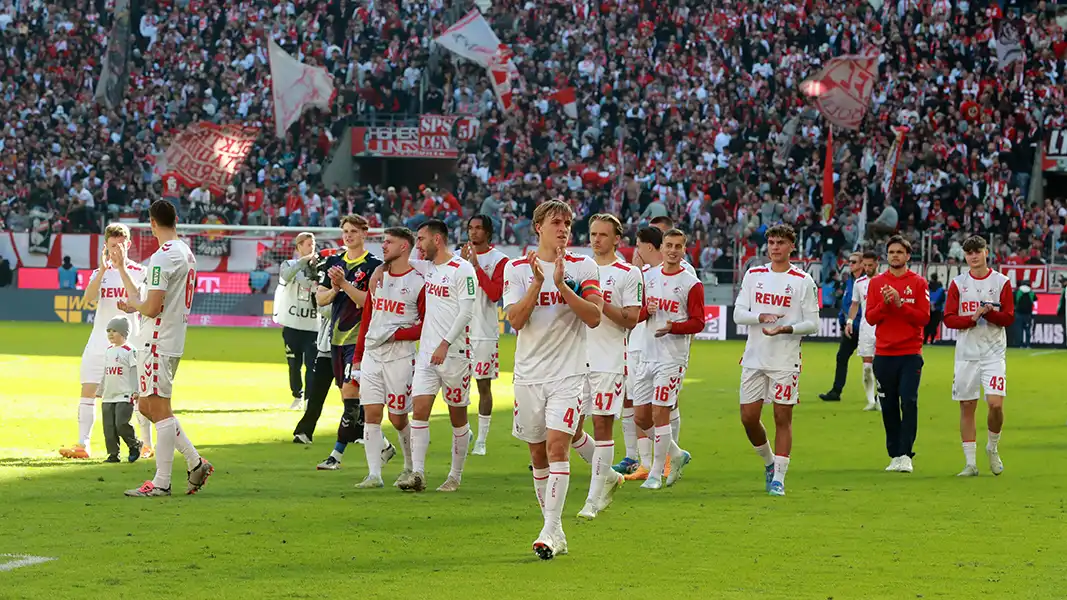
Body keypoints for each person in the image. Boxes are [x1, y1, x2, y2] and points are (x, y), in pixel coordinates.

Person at [502, 199, 603, 560]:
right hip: (529, 374)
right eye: (555, 222)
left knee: (557, 446)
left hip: (569, 374)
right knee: (537, 452)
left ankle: (547, 529)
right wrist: (538, 284)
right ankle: (555, 529)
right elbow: (514, 320)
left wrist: (562, 286)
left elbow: (594, 316)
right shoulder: (515, 269)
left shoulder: (583, 266)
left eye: (567, 222)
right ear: (538, 227)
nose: (563, 228)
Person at [114, 200, 213, 497]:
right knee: (146, 406)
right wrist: (121, 269)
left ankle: (161, 482)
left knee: (159, 409)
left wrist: (135, 305)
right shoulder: (184, 252)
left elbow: (152, 306)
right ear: (176, 220)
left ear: (152, 223)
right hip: (170, 339)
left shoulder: (162, 257)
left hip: (156, 340)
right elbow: (148, 298)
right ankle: (195, 462)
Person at [733, 224, 819, 497]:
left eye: (781, 242)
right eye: (771, 242)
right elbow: (738, 314)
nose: (775, 247)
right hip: (754, 357)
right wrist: (760, 317)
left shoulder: (802, 280)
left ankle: (779, 478)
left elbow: (813, 324)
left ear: (792, 246)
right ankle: (770, 462)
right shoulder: (754, 274)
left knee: (782, 416)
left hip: (785, 358)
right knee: (748, 418)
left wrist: (786, 329)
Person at [59, 223, 151, 461]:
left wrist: (121, 269)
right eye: (112, 246)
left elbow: (139, 298)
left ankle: (146, 444)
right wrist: (101, 271)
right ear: (105, 246)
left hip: (130, 343)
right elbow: (88, 299)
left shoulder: (139, 270)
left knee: (136, 394)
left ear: (128, 244)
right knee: (88, 389)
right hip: (99, 339)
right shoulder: (100, 272)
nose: (116, 250)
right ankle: (83, 445)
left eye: (120, 245)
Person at [397, 219, 477, 492]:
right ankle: (417, 474)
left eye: (421, 239)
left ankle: (455, 476)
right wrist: (379, 269)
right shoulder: (427, 267)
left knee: (458, 417)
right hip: (427, 355)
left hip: (455, 354)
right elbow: (397, 260)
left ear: (437, 240)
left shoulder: (462, 270)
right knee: (419, 411)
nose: (418, 245)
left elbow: (466, 311)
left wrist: (444, 343)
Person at [314, 215, 394, 471]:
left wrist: (344, 284)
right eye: (345, 231)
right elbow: (321, 299)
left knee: (351, 397)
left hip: (360, 341)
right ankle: (383, 445)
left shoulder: (374, 266)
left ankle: (335, 456)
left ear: (365, 234)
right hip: (336, 340)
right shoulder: (334, 262)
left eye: (353, 231)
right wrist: (336, 289)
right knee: (351, 402)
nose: (348, 235)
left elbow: (368, 301)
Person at [576, 214, 639, 519]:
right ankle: (610, 477)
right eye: (592, 233)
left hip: (608, 360)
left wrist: (599, 303)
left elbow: (631, 318)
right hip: (574, 359)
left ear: (617, 238)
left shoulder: (628, 273)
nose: (596, 239)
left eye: (603, 234)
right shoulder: (578, 268)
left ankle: (593, 498)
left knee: (602, 426)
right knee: (571, 429)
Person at [352, 227, 425, 489]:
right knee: (371, 413)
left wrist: (397, 335)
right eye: (383, 241)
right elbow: (368, 319)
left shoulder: (418, 281)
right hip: (373, 354)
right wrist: (358, 356)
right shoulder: (378, 278)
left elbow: (426, 326)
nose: (383, 245)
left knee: (398, 417)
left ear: (404, 247)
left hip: (400, 356)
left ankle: (408, 466)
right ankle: (374, 475)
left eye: (389, 242)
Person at [632, 228, 702, 490]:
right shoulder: (647, 277)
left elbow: (698, 321)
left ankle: (655, 473)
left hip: (672, 357)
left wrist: (674, 327)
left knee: (660, 413)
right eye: (669, 245)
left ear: (684, 250)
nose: (673, 250)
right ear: (661, 248)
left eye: (678, 246)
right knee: (641, 417)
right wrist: (644, 311)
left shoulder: (690, 282)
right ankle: (677, 454)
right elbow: (637, 316)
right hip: (647, 353)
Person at [942, 236, 1014, 476]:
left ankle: (992, 448)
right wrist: (972, 319)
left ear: (986, 252)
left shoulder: (1001, 282)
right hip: (966, 354)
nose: (973, 256)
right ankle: (970, 463)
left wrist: (990, 314)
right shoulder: (957, 283)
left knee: (995, 405)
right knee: (967, 406)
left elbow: (1009, 317)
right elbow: (949, 318)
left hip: (993, 354)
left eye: (977, 251)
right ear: (965, 255)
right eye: (969, 252)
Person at [865, 235, 930, 474]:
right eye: (891, 252)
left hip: (910, 352)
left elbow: (924, 318)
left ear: (908, 256)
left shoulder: (919, 283)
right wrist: (885, 304)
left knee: (909, 401)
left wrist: (901, 304)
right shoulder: (876, 284)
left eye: (899, 252)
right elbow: (871, 318)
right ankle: (894, 454)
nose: (895, 255)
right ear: (887, 255)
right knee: (889, 405)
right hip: (884, 354)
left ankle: (906, 454)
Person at [459, 215, 509, 456]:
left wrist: (476, 267)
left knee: (483, 386)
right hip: (458, 333)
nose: (473, 232)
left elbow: (495, 294)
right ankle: (464, 431)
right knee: (455, 386)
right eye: (470, 228)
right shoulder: (457, 257)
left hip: (484, 332)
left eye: (478, 228)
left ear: (488, 233)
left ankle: (481, 440)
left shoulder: (500, 260)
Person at [292, 246, 344, 443]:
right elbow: (323, 310)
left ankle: (358, 431)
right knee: (317, 392)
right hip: (326, 346)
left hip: (348, 345)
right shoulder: (324, 287)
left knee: (350, 393)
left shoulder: (352, 286)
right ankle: (304, 431)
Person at [274, 232, 320, 410]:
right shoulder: (290, 264)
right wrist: (303, 262)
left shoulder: (320, 266)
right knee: (294, 365)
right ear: (299, 246)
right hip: (293, 325)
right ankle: (297, 395)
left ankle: (309, 398)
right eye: (308, 244)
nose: (311, 247)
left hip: (313, 325)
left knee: (312, 365)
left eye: (313, 244)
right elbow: (285, 277)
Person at [97, 316, 143, 464]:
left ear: (124, 333)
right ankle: (113, 455)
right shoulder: (109, 350)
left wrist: (136, 390)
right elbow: (106, 371)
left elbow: (135, 371)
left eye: (114, 330)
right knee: (109, 427)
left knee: (121, 424)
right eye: (108, 331)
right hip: (109, 395)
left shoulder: (130, 351)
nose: (110, 334)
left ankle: (134, 444)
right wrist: (101, 388)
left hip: (124, 394)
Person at [819, 252, 863, 402]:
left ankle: (882, 393)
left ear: (862, 264)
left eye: (854, 262)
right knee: (841, 358)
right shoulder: (850, 281)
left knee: (873, 363)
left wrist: (853, 322)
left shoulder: (866, 282)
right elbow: (845, 303)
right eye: (850, 262)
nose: (850, 264)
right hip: (850, 327)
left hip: (864, 328)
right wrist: (843, 321)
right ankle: (836, 391)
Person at [851, 251, 881, 411]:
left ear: (877, 263)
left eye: (870, 265)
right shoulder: (859, 283)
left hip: (883, 329)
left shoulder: (885, 280)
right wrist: (850, 321)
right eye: (865, 265)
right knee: (867, 368)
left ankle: (881, 400)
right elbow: (855, 304)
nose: (867, 268)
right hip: (866, 329)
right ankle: (871, 401)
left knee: (882, 368)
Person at [1014, 280, 1036, 349]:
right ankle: (1028, 344)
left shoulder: (1017, 292)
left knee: (1019, 330)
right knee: (1027, 330)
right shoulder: (1031, 292)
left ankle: (1020, 344)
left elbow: (1014, 301)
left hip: (1018, 313)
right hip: (1028, 314)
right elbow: (1035, 299)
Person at [926, 273, 946, 344]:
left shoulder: (928, 287)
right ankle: (932, 340)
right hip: (937, 309)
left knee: (927, 325)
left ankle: (925, 340)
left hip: (928, 309)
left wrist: (929, 304)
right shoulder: (941, 289)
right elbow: (942, 299)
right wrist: (935, 304)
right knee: (934, 325)